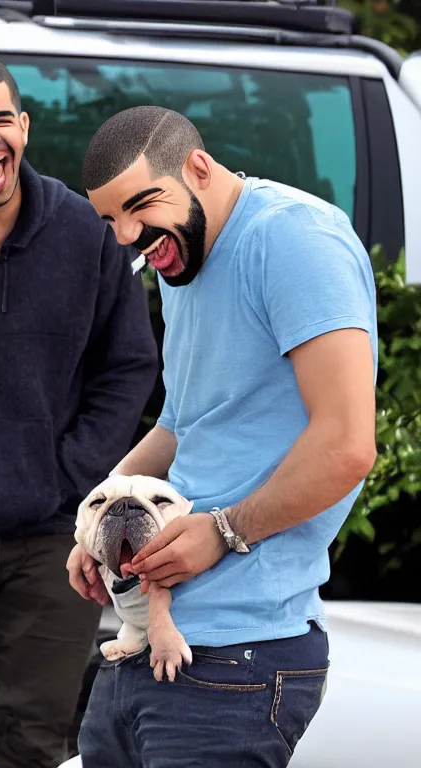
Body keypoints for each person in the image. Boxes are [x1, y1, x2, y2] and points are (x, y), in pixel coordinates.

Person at [67, 105, 378, 767]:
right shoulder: (180, 253)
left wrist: (224, 530)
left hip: (241, 655)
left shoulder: (294, 240)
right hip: (150, 637)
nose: (127, 235)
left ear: (198, 168)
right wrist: (93, 520)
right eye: (110, 220)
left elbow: (347, 443)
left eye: (140, 206)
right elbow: (184, 423)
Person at [0, 60, 158, 768]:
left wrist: (71, 471)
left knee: (39, 735)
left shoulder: (87, 233)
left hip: (56, 537)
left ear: (23, 127)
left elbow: (130, 364)